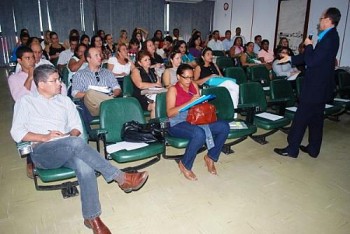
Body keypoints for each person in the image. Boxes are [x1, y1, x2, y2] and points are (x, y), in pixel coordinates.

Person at [10, 64, 149, 234]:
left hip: (66, 145)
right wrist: (45, 137)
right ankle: (120, 177)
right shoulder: (26, 102)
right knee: (75, 143)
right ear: (41, 84)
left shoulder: (64, 100)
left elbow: (76, 127)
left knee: (85, 166)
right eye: (54, 81)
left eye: (59, 79)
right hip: (43, 151)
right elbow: (17, 132)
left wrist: (69, 134)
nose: (60, 83)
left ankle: (92, 218)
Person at [274, 7, 341, 158]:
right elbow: (314, 57)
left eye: (321, 18)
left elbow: (311, 61)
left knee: (301, 118)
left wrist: (309, 44)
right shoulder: (331, 36)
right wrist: (291, 58)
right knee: (316, 119)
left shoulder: (329, 38)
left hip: (314, 88)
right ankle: (313, 149)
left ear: (328, 20)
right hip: (321, 88)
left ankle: (292, 149)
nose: (320, 21)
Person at [166, 64, 230, 180]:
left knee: (224, 126)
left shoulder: (194, 85)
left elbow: (198, 107)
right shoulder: (173, 89)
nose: (189, 80)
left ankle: (211, 157)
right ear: (178, 76)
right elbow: (170, 113)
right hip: (177, 122)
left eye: (191, 77)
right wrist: (189, 102)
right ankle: (185, 164)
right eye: (186, 77)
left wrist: (202, 101)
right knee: (199, 134)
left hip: (195, 118)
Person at [72, 47, 121, 116]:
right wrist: (95, 95)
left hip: (107, 104)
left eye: (100, 55)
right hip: (93, 107)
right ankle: (117, 106)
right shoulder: (80, 74)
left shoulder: (107, 72)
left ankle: (112, 106)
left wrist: (114, 94)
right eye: (96, 55)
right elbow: (75, 93)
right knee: (90, 93)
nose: (100, 58)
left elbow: (117, 88)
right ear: (89, 59)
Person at [131, 50, 162, 119]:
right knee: (155, 105)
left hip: (153, 94)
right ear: (139, 63)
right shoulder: (136, 71)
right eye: (145, 60)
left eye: (149, 59)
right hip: (141, 97)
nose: (148, 61)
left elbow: (159, 85)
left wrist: (158, 77)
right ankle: (153, 126)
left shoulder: (152, 71)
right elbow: (140, 85)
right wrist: (154, 84)